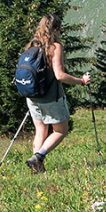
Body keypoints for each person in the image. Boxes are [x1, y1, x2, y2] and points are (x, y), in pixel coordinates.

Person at [23, 13, 91, 174]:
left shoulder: (32, 45)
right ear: (57, 29)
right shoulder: (55, 47)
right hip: (50, 97)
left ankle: (36, 168)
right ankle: (38, 157)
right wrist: (81, 81)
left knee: (40, 131)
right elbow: (59, 75)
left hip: (32, 96)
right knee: (60, 131)